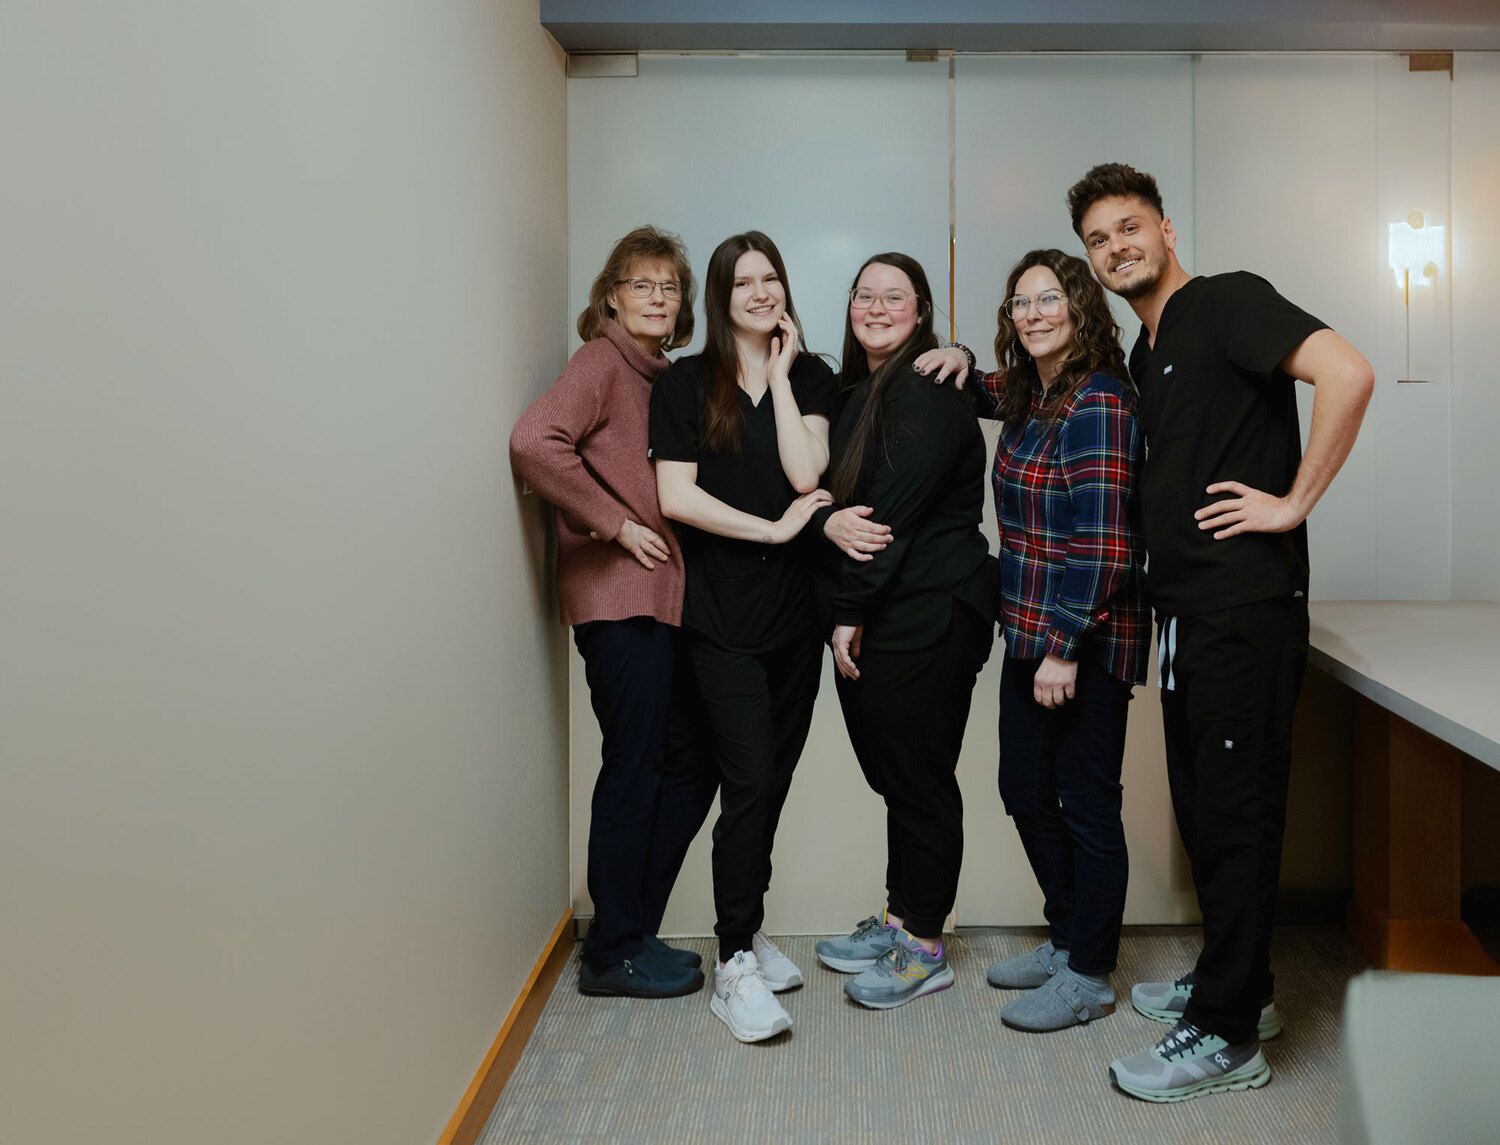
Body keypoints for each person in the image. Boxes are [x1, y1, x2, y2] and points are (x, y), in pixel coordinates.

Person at [1067, 163, 1374, 1102]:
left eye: (1128, 228)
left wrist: (1292, 504)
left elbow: (1348, 372)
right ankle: (1238, 987)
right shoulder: (1146, 349)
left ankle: (1230, 1034)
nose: (1116, 247)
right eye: (1098, 239)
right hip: (1187, 618)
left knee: (1236, 820)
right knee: (1207, 813)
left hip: (1244, 614)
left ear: (1164, 227)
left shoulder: (1227, 301)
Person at [509, 225, 720, 999]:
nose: (659, 297)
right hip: (617, 602)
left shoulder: (658, 376)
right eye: (643, 285)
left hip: (657, 604)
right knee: (637, 766)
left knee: (685, 761)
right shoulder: (602, 362)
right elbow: (535, 442)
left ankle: (627, 929)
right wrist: (615, 522)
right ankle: (611, 954)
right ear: (611, 296)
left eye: (670, 287)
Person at [649, 231, 835, 1043]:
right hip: (719, 619)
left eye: (771, 279)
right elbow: (676, 496)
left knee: (775, 780)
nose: (760, 292)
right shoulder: (686, 382)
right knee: (749, 779)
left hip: (797, 620)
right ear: (720, 297)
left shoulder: (815, 373)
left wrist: (784, 376)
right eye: (743, 282)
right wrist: (768, 533)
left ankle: (748, 929)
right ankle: (734, 964)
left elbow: (806, 475)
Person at [962, 249, 1149, 1033]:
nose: (1032, 313)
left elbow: (1107, 543)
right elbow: (980, 384)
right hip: (1027, 630)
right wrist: (957, 359)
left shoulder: (1099, 401)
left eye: (1048, 300)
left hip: (1084, 637)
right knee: (1025, 790)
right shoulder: (1033, 395)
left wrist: (1065, 647)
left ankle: (1090, 973)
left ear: (1079, 309)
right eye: (1019, 303)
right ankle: (1068, 935)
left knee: (1087, 805)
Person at [810, 253, 995, 1010]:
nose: (877, 307)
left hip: (930, 613)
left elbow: (886, 517)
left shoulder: (926, 391)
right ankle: (900, 917)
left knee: (918, 780)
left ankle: (925, 946)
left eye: (895, 297)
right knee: (899, 778)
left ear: (921, 312)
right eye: (865, 295)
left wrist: (846, 611)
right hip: (893, 614)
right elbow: (836, 502)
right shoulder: (862, 391)